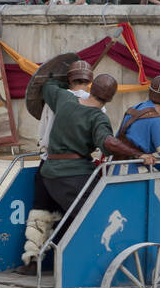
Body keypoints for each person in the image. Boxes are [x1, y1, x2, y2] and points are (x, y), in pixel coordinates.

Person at [20, 66, 142, 274]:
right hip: (74, 175)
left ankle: (34, 261)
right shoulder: (98, 117)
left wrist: (69, 79)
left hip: (47, 170)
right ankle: (74, 262)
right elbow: (109, 144)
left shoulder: (64, 100)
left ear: (91, 87)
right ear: (110, 99)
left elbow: (48, 84)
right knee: (98, 213)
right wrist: (138, 154)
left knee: (42, 212)